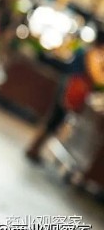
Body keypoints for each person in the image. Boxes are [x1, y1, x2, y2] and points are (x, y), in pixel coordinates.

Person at [25, 27, 104, 163]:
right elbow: (97, 77)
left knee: (55, 120)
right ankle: (34, 149)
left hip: (70, 86)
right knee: (54, 121)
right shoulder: (93, 55)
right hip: (72, 89)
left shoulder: (88, 51)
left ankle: (35, 149)